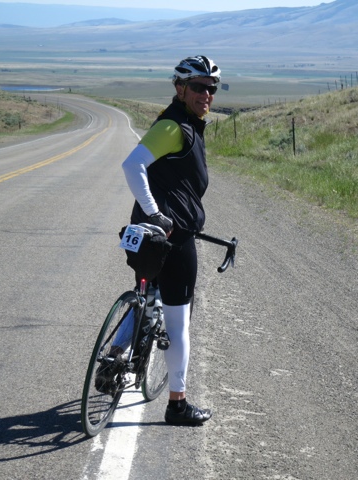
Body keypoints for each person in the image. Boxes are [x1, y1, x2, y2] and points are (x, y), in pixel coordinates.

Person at [121, 55, 221, 426]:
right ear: (180, 88)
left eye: (211, 88)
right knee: (178, 325)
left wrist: (151, 216)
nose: (206, 94)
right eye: (198, 87)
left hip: (146, 234)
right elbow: (132, 165)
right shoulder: (175, 126)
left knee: (146, 297)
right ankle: (177, 406)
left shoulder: (182, 124)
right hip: (170, 237)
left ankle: (115, 354)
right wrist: (158, 215)